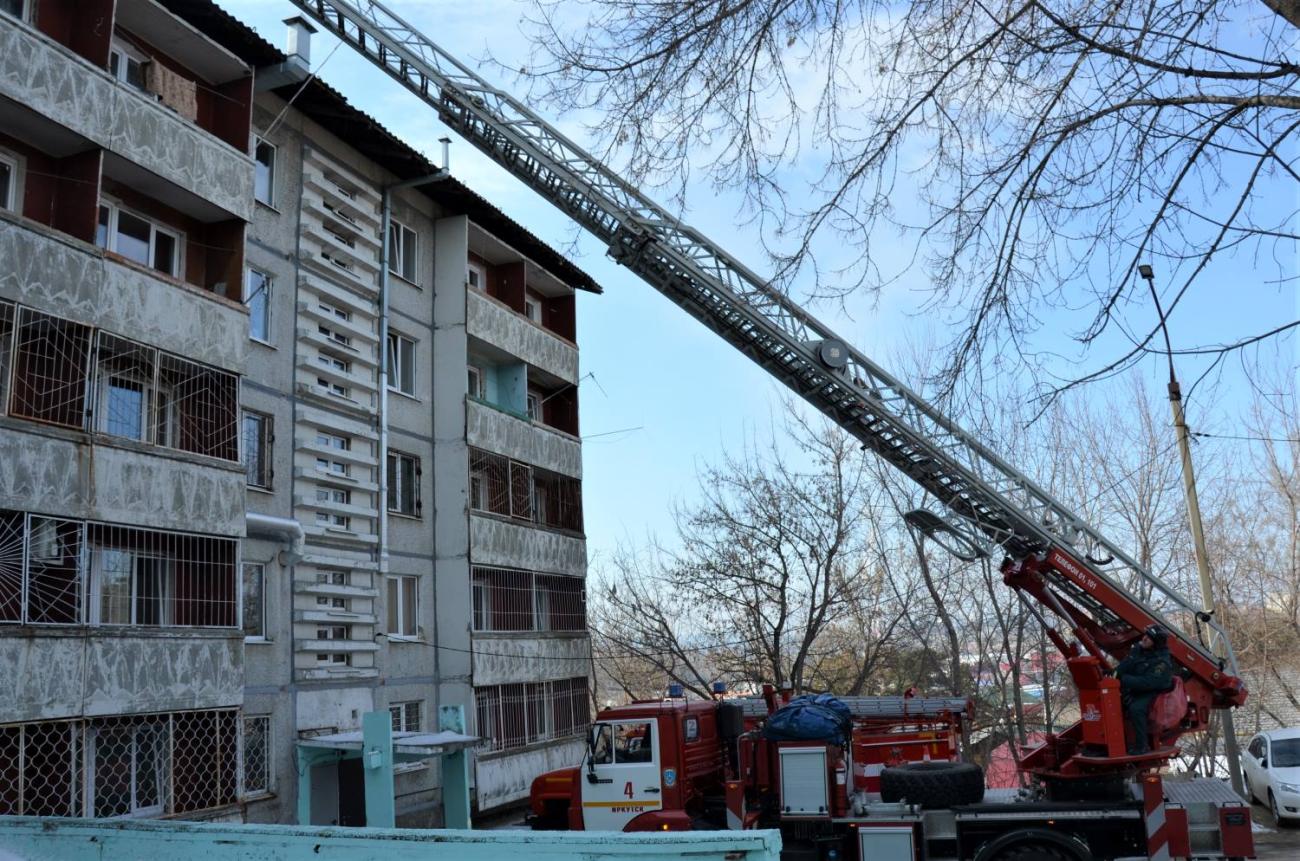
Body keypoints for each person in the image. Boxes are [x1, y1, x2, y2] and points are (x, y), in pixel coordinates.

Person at [1113, 625, 1175, 755]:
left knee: (1136, 709)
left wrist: (1123, 679)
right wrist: (1115, 672)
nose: (1144, 638)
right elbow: (1122, 668)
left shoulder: (1162, 662)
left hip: (1153, 692)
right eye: (1145, 635)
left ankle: (1142, 746)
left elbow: (1148, 683)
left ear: (1156, 643)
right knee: (1112, 704)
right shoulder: (1139, 652)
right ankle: (1116, 743)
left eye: (1149, 638)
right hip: (1136, 689)